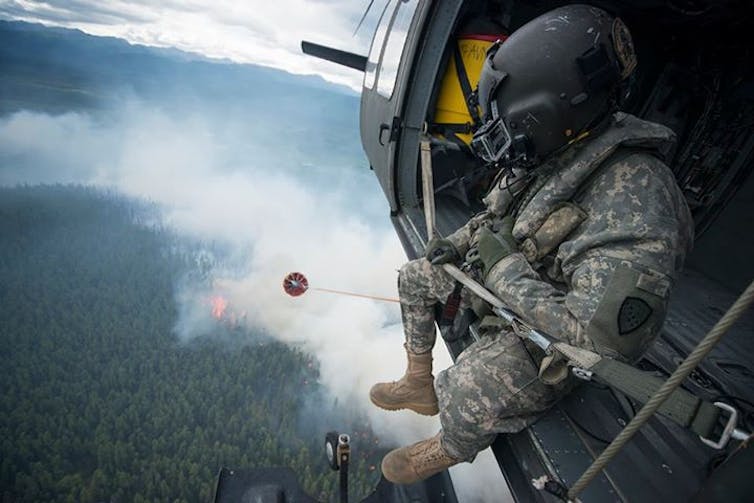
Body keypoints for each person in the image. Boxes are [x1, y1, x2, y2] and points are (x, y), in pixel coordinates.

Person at [370, 4, 694, 484]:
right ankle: (419, 382)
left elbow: (598, 344)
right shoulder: (561, 151)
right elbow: (494, 215)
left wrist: (503, 273)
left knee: (465, 388)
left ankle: (450, 446)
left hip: (549, 331)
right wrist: (457, 246)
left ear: (548, 113)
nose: (505, 141)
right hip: (516, 280)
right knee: (414, 277)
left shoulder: (636, 196)